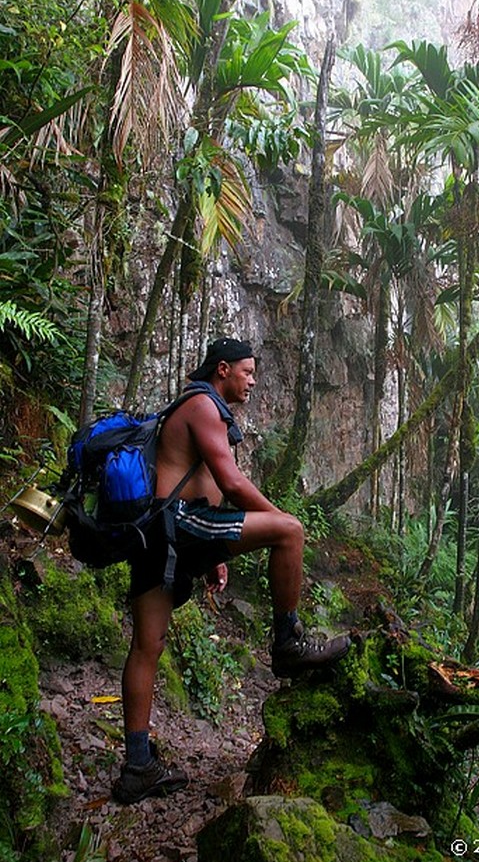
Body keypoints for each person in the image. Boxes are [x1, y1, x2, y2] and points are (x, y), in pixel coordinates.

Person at [112, 337, 351, 805]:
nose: (253, 379)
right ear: (222, 369)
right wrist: (283, 518)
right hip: (178, 524)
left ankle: (137, 767)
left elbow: (199, 480)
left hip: (159, 536)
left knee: (146, 646)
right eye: (247, 371)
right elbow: (231, 482)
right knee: (290, 533)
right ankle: (287, 640)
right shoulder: (203, 404)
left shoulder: (195, 404)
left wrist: (215, 554)